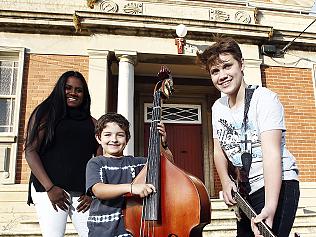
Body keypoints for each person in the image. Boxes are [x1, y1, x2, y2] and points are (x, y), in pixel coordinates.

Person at [197, 37, 299, 237]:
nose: (222, 75)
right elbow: (219, 151)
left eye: (227, 66)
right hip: (246, 191)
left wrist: (270, 207)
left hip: (277, 184)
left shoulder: (265, 99)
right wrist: (225, 181)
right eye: (215, 71)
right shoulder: (218, 108)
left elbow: (272, 154)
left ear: (241, 64)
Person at [24, 71, 101, 237]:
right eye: (68, 88)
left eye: (79, 90)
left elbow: (100, 158)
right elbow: (30, 151)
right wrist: (50, 188)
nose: (73, 93)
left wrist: (92, 191)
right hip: (49, 189)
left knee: (94, 234)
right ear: (60, 89)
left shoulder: (92, 122)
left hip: (82, 194)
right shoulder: (45, 113)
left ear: (84, 94)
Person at [85, 112, 172, 237]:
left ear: (127, 139)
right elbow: (98, 190)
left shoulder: (137, 163)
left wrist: (163, 144)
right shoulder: (96, 163)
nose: (114, 139)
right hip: (103, 231)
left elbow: (168, 166)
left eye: (120, 135)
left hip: (132, 229)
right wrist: (131, 188)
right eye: (107, 135)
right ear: (98, 138)